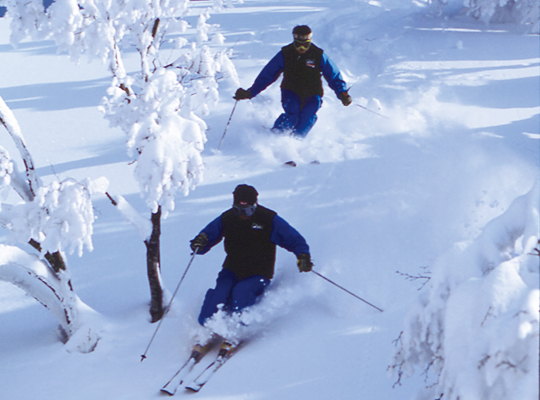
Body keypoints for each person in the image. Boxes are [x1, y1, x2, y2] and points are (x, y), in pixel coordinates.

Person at [190, 184, 313, 327]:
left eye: (247, 211)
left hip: (258, 271)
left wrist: (303, 255)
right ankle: (206, 328)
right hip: (231, 269)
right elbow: (207, 235)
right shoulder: (227, 218)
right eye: (238, 210)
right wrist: (200, 242)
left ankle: (237, 328)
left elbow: (293, 238)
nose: (242, 214)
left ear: (254, 205)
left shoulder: (267, 219)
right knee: (219, 294)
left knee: (241, 292)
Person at [234, 25, 352, 138]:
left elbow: (333, 74)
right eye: (298, 45)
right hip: (290, 91)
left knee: (308, 116)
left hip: (313, 93)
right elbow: (268, 74)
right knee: (293, 115)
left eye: (305, 45)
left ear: (310, 41)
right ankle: (274, 137)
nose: (302, 49)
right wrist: (250, 92)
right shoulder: (286, 54)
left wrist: (342, 93)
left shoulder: (318, 55)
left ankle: (295, 142)